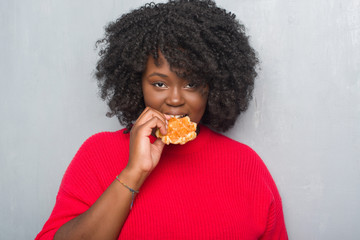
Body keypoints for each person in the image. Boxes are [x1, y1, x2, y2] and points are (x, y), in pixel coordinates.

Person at [36, 0, 288, 239]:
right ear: (137, 84)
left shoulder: (247, 166)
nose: (175, 99)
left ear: (213, 86)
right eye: (159, 83)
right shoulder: (97, 154)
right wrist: (134, 172)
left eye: (191, 83)